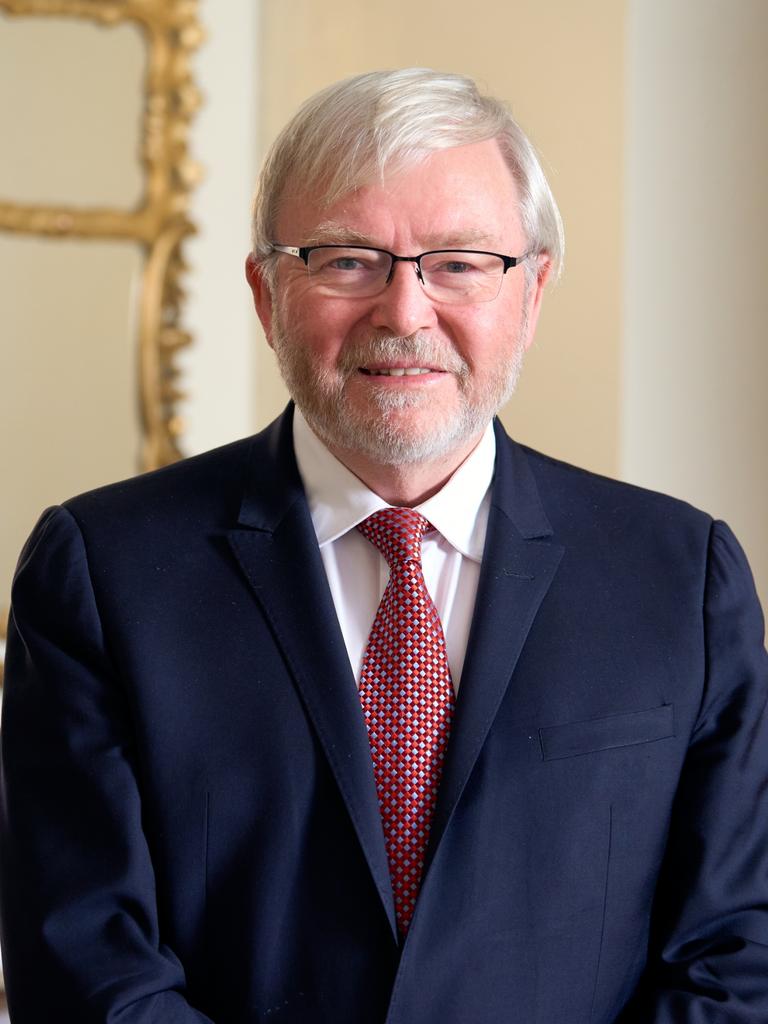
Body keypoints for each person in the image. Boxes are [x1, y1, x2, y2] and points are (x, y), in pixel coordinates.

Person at [1, 68, 767, 1024]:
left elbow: (736, 956)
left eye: (458, 261)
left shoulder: (678, 576)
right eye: (347, 258)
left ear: (532, 291)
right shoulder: (101, 571)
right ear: (265, 292)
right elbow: (87, 971)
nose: (404, 313)